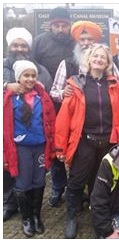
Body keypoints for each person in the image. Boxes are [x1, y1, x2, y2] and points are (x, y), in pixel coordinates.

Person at [55, 43, 119, 239]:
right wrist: (59, 146)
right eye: (95, 56)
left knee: (102, 183)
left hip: (108, 142)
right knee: (76, 181)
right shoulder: (75, 85)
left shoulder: (115, 86)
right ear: (88, 59)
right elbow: (64, 117)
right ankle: (71, 217)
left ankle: (98, 217)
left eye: (103, 58)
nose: (99, 60)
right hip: (84, 141)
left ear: (107, 63)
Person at [49, 21, 119, 208]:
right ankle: (73, 209)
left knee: (98, 176)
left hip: (105, 134)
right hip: (79, 132)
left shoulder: (109, 66)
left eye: (89, 39)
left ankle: (95, 206)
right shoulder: (66, 64)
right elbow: (54, 92)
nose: (85, 42)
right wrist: (64, 94)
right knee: (77, 173)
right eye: (82, 39)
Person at [3, 27, 53, 223]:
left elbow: (49, 110)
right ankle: (21, 214)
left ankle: (35, 215)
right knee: (19, 178)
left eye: (23, 45)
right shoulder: (9, 91)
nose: (19, 48)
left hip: (39, 143)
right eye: (15, 44)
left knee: (39, 179)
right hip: (18, 143)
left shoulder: (41, 83)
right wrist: (6, 87)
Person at [32, 6, 75, 80]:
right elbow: (32, 65)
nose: (60, 30)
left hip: (72, 87)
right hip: (46, 87)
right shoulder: (39, 42)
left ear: (70, 26)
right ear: (51, 26)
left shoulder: (76, 42)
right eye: (56, 26)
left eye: (64, 26)